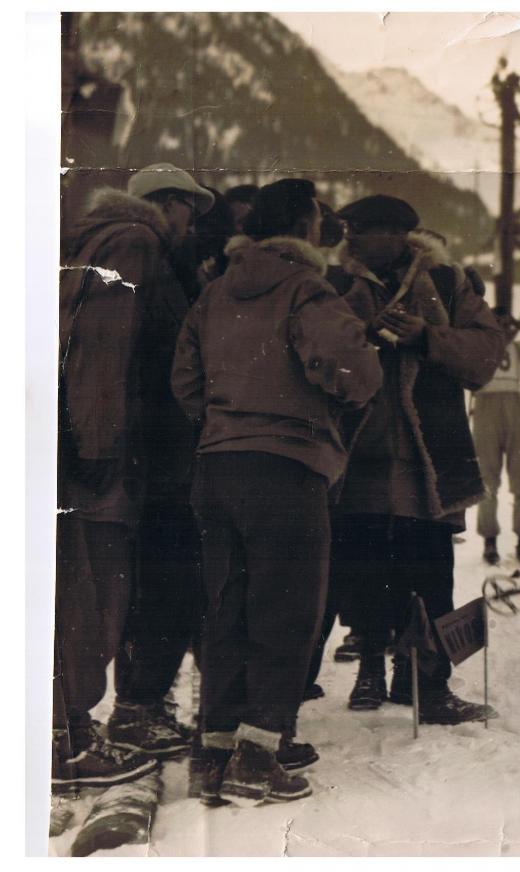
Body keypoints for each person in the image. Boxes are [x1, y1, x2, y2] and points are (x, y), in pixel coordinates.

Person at [172, 178, 383, 804]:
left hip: (215, 467)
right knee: (286, 610)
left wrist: (225, 422)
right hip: (287, 468)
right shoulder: (305, 290)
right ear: (303, 226)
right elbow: (357, 373)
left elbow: (185, 381)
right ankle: (259, 755)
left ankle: (214, 751)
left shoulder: (213, 293)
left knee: (226, 607)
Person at [56, 163, 214, 791]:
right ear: (167, 204)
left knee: (87, 594)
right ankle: (66, 738)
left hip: (95, 451)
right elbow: (104, 344)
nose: (190, 226)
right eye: (188, 211)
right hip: (107, 460)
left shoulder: (95, 242)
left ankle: (68, 731)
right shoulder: (135, 242)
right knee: (98, 597)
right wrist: (98, 446)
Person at [325, 194, 506, 721]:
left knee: (430, 573)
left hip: (430, 458)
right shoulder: (337, 287)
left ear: (395, 235)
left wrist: (426, 336)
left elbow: (487, 352)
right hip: (360, 457)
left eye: (358, 230)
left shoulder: (449, 285)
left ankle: (424, 684)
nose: (348, 240)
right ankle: (370, 673)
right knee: (363, 569)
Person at [473, 309, 520, 566]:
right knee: (486, 481)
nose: (503, 330)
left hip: (514, 410)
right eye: (498, 324)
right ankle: (489, 540)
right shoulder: (479, 347)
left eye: (506, 326)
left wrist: (518, 323)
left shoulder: (518, 348)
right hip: (485, 409)